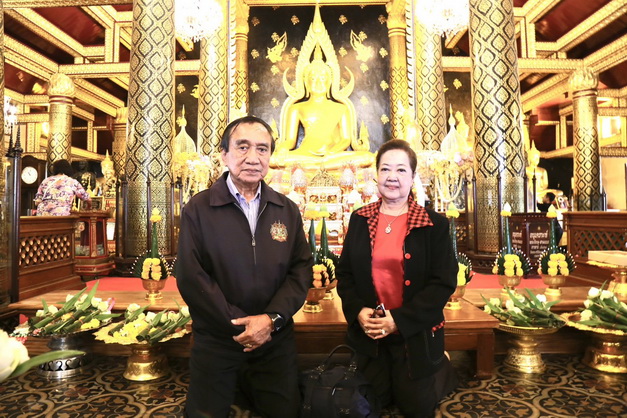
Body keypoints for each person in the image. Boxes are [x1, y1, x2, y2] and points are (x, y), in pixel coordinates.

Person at [176, 115, 313, 418]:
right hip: (218, 338)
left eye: (262, 149)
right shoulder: (199, 209)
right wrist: (240, 325)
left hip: (274, 337)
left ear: (270, 157)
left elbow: (300, 269)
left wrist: (270, 320)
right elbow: (191, 275)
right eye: (242, 147)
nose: (253, 157)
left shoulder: (286, 209)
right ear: (224, 155)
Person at [337, 139, 458, 417]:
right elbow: (345, 274)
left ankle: (441, 367)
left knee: (416, 407)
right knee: (369, 404)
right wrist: (358, 311)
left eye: (401, 170)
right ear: (376, 175)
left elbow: (443, 282)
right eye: (385, 169)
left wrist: (399, 321)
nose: (392, 177)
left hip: (414, 332)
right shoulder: (360, 218)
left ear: (413, 177)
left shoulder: (433, 224)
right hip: (371, 331)